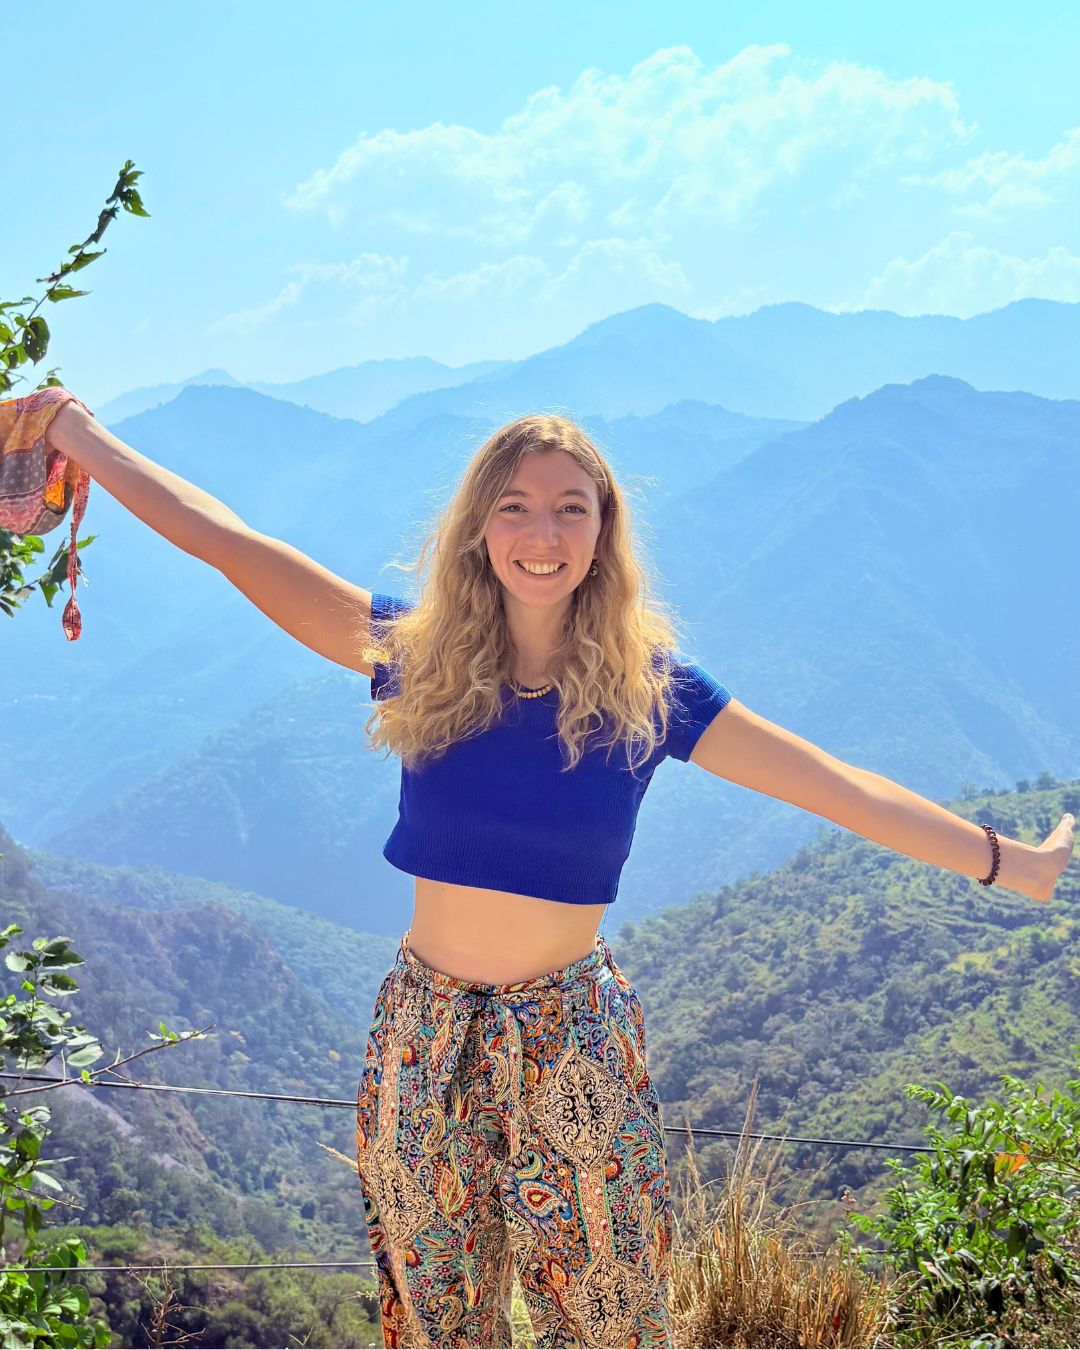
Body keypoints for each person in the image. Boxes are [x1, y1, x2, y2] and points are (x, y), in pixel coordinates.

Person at [32, 395, 1068, 1348]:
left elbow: (836, 786)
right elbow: (228, 542)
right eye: (516, 507)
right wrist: (76, 434)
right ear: (479, 527)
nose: (543, 533)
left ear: (604, 532)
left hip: (575, 1038)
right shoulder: (418, 653)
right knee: (440, 1322)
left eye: (572, 508)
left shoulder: (651, 692)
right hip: (422, 1033)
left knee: (611, 1316)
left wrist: (1008, 862)